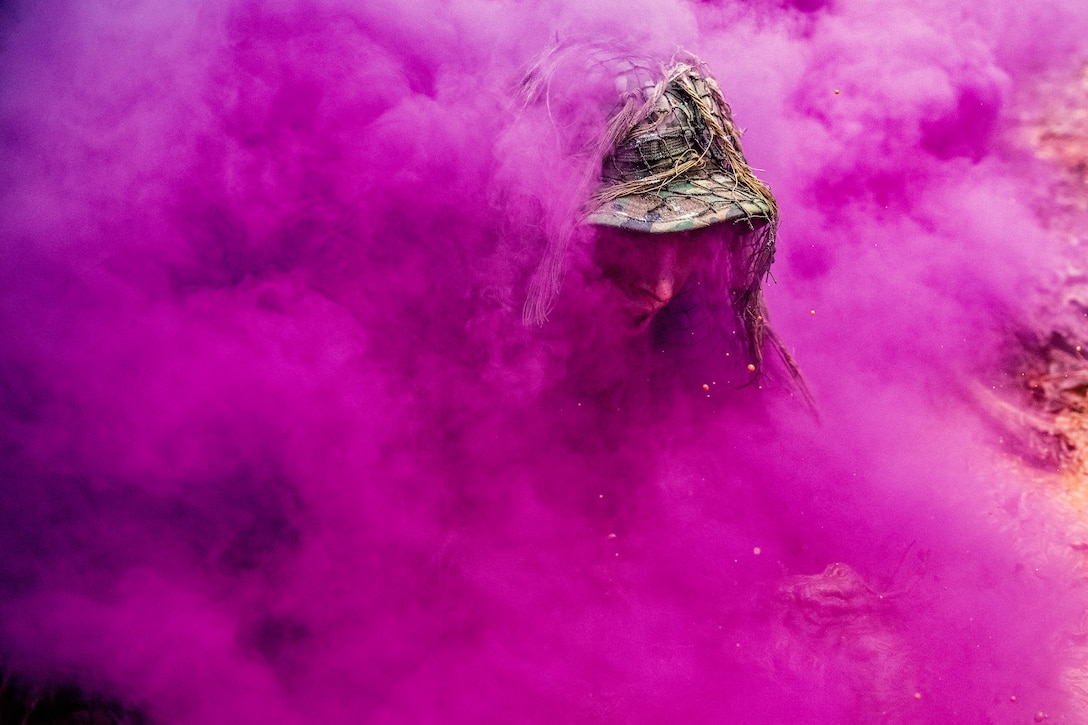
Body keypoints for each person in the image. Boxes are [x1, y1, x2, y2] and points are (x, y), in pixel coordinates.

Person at [491, 41, 807, 403]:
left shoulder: (715, 354)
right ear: (539, 225)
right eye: (630, 234)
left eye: (692, 232)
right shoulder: (453, 355)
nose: (662, 288)